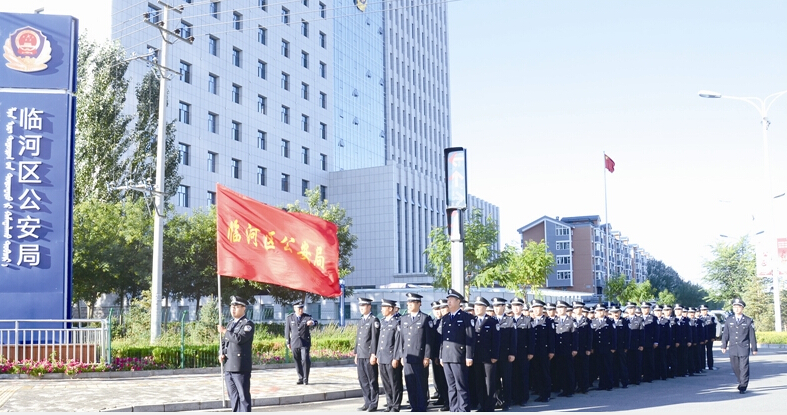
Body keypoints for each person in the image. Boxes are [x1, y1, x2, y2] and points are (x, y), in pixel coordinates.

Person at [218, 296, 255, 412]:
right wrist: (221, 352)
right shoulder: (230, 324)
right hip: (229, 365)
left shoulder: (247, 324)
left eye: (236, 307)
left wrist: (225, 331)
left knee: (243, 396)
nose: (233, 309)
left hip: (240, 366)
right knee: (233, 397)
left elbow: (240, 339)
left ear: (244, 308)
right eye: (232, 307)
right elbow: (224, 342)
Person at [440, 289, 475, 412]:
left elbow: (470, 338)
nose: (448, 302)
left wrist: (469, 356)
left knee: (461, 385)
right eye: (448, 300)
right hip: (447, 356)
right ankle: (454, 408)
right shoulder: (445, 318)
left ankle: (464, 408)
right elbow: (443, 339)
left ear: (458, 301)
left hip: (459, 356)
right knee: (451, 386)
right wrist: (441, 356)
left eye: (451, 300)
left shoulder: (466, 317)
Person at [398, 293, 432, 412]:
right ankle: (414, 405)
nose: (409, 305)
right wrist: (401, 355)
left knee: (421, 383)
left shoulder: (425, 318)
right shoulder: (404, 319)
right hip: (407, 356)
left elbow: (428, 340)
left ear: (419, 304)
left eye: (412, 303)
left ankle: (422, 406)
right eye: (408, 303)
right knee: (410, 383)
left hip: (419, 357)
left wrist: (427, 356)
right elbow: (401, 339)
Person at [721, 298, 758, 394]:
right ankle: (741, 380)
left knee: (744, 367)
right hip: (733, 347)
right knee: (735, 367)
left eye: (738, 307)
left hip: (744, 347)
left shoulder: (748, 320)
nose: (736, 309)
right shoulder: (729, 320)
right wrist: (724, 345)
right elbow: (726, 334)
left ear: (742, 308)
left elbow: (752, 335)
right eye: (735, 307)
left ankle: (743, 385)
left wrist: (754, 348)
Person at [355, 297, 380, 412]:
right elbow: (358, 339)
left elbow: (375, 339)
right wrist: (356, 353)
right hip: (361, 354)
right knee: (362, 380)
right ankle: (367, 401)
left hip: (369, 355)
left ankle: (373, 403)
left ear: (369, 306)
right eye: (360, 306)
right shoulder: (361, 321)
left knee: (372, 380)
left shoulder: (373, 320)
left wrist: (374, 354)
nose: (361, 308)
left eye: (363, 306)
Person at [378, 299, 403, 412]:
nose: (382, 309)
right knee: (386, 383)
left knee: (395, 382)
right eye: (382, 307)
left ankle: (396, 405)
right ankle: (389, 403)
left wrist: (396, 357)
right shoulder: (383, 322)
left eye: (384, 307)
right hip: (382, 357)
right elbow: (380, 341)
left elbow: (398, 342)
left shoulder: (397, 322)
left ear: (391, 309)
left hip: (391, 357)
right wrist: (378, 355)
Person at [491, 297, 516, 411]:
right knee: (495, 379)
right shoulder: (491, 320)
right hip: (494, 356)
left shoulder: (510, 321)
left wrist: (512, 353)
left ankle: (507, 401)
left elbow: (513, 339)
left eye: (498, 306)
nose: (496, 308)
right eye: (494, 306)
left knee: (506, 380)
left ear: (504, 307)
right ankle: (497, 401)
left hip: (506, 355)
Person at [285, 301, 318, 385]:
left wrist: (312, 323)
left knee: (305, 360)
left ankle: (305, 379)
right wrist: (288, 341)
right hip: (294, 342)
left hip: (305, 343)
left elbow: (316, 322)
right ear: (295, 309)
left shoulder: (307, 317)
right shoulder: (290, 318)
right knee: (297, 360)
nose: (301, 310)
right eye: (299, 308)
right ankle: (300, 377)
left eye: (302, 308)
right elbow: (287, 331)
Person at [529, 299, 554, 403]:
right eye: (534, 308)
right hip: (534, 352)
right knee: (537, 374)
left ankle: (546, 394)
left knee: (545, 373)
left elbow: (551, 337)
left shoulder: (548, 321)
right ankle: (540, 393)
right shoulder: (531, 321)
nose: (536, 310)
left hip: (544, 351)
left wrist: (551, 351)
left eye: (538, 307)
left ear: (542, 309)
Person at [510, 298, 532, 406]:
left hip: (523, 352)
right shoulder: (509, 320)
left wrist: (530, 352)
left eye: (518, 305)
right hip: (512, 353)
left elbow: (531, 338)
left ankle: (524, 397)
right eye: (514, 306)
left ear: (522, 307)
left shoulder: (527, 320)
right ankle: (515, 397)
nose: (516, 308)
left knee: (523, 375)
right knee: (514, 376)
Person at [553, 300, 577, 397]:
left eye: (562, 308)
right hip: (558, 350)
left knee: (569, 370)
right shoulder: (554, 321)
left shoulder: (571, 321)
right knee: (561, 370)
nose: (560, 310)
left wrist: (574, 349)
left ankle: (570, 389)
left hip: (568, 350)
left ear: (566, 309)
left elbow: (575, 336)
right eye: (558, 308)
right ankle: (564, 389)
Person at [591, 304, 616, 392]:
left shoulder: (609, 321)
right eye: (598, 311)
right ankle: (602, 384)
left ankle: (609, 384)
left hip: (607, 348)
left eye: (601, 310)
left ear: (604, 311)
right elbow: (592, 336)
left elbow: (613, 335)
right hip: (598, 348)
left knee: (608, 366)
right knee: (600, 367)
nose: (600, 312)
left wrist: (613, 346)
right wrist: (592, 347)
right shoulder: (593, 322)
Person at [430, 300, 449, 410]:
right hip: (436, 354)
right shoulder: (435, 322)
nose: (438, 312)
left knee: (445, 379)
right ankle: (442, 397)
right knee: (439, 378)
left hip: (444, 354)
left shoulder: (444, 322)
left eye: (440, 309)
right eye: (436, 309)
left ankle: (447, 400)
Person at [572, 303, 592, 394]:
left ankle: (585, 387)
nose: (577, 309)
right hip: (575, 349)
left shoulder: (587, 321)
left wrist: (588, 348)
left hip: (584, 348)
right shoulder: (572, 320)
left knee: (584, 368)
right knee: (576, 369)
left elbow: (590, 336)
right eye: (575, 308)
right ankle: (579, 386)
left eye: (579, 308)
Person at [639, 302, 658, 383]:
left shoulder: (653, 318)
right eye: (643, 308)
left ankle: (649, 376)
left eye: (646, 308)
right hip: (641, 342)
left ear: (649, 309)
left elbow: (657, 331)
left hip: (649, 342)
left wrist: (656, 341)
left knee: (649, 360)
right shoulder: (639, 318)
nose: (644, 309)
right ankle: (642, 375)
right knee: (641, 360)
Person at [699, 305, 717, 370]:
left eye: (705, 310)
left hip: (709, 337)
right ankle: (702, 366)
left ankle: (710, 365)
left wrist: (713, 337)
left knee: (709, 352)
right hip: (702, 338)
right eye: (702, 310)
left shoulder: (711, 318)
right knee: (702, 352)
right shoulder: (699, 318)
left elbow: (713, 328)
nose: (704, 311)